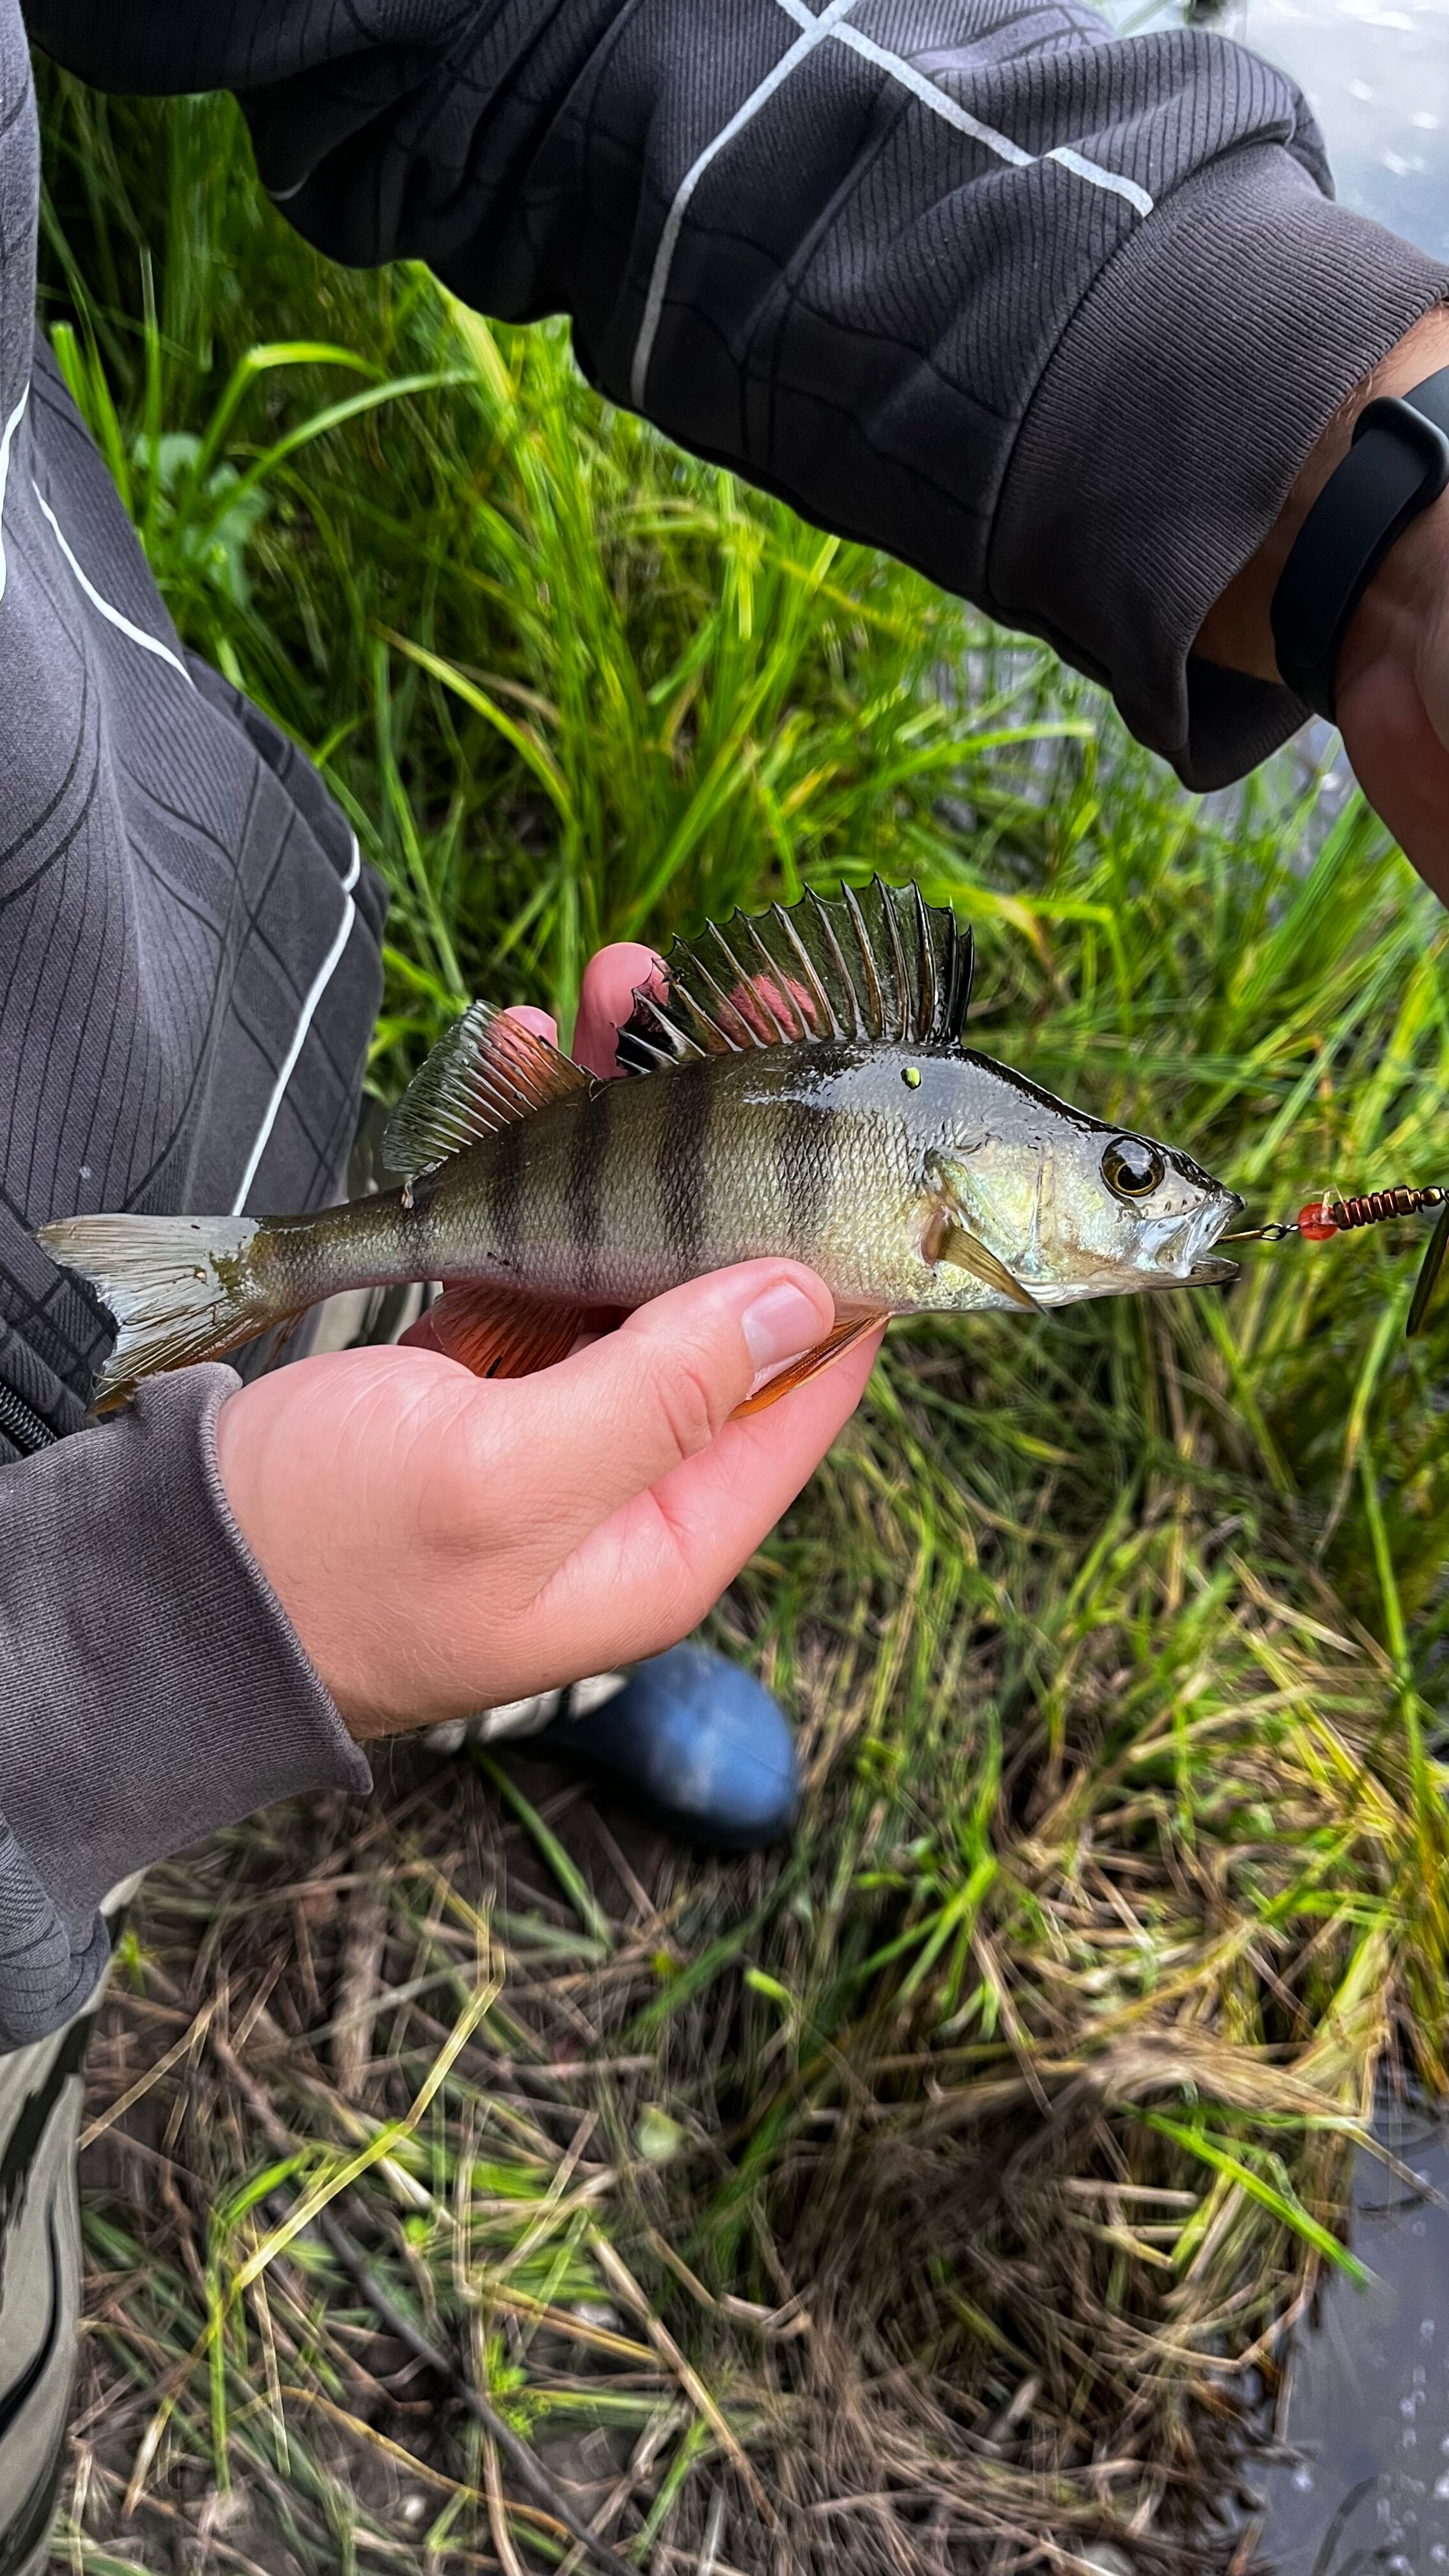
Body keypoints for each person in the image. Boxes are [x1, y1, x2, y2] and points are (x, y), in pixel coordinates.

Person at [3, 0, 1449, 2561]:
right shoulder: (940, 1202)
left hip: (203, 1100)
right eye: (1108, 1185)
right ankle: (407, 1548)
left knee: (471, 1302)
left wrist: (1354, 470)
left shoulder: (927, 1151)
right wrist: (130, 1651)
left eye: (1120, 1189)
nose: (1132, 1213)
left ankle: (443, 1519)